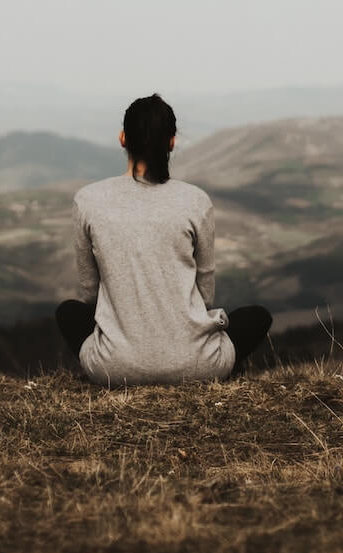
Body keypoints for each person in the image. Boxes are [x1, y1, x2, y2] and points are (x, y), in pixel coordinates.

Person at [56, 93, 272, 386]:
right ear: (172, 142)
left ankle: (123, 360)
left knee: (68, 312)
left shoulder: (88, 200)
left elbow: (90, 293)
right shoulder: (196, 200)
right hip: (199, 366)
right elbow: (205, 295)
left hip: (114, 368)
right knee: (256, 316)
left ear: (122, 138)